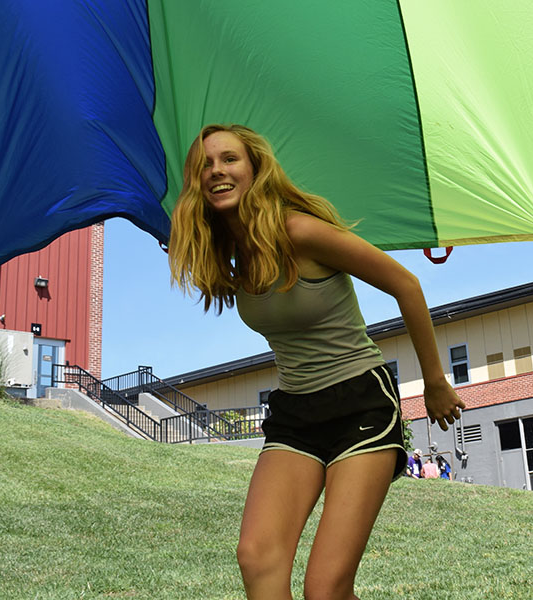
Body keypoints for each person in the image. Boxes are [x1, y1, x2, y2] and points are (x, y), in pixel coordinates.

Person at [167, 124, 465, 600]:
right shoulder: (232, 256)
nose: (216, 170)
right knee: (257, 557)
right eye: (204, 164)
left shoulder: (299, 230)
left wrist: (434, 382)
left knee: (325, 588)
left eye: (229, 159)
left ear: (255, 169)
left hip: (360, 405)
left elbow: (406, 285)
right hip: (295, 413)